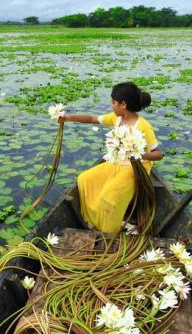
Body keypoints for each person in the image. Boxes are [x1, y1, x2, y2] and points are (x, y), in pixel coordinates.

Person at [59, 82, 163, 233]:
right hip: (116, 163)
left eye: (113, 102)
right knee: (84, 179)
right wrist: (67, 117)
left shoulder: (143, 126)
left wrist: (138, 153)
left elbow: (158, 154)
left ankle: (109, 232)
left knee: (109, 198)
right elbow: (91, 119)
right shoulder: (116, 118)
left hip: (135, 168)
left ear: (123, 104)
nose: (111, 106)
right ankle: (96, 221)